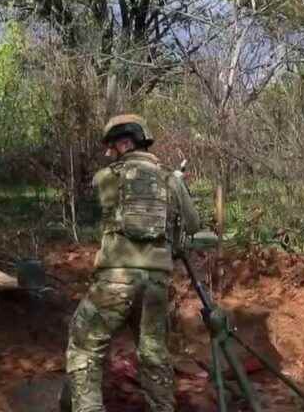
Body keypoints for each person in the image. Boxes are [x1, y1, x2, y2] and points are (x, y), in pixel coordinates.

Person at [64, 114, 200, 412]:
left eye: (111, 147)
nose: (108, 153)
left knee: (85, 347)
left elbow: (105, 204)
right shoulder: (169, 178)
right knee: (153, 352)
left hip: (117, 278)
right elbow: (193, 224)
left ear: (124, 143)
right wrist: (177, 187)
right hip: (156, 282)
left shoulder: (106, 177)